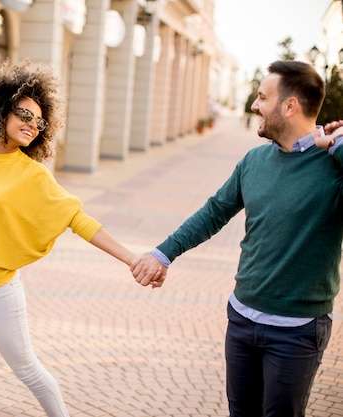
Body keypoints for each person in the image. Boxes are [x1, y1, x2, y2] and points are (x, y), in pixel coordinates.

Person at [0, 60, 142, 417]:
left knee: (26, 368)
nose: (31, 125)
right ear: (0, 110)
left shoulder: (32, 174)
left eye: (39, 121)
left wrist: (132, 259)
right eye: (24, 114)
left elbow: (77, 218)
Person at [130, 60, 341, 417]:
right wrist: (162, 254)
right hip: (242, 319)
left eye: (262, 97)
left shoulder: (331, 166)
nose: (254, 105)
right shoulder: (254, 160)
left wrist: (337, 147)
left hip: (296, 330)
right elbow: (214, 212)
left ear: (289, 106)